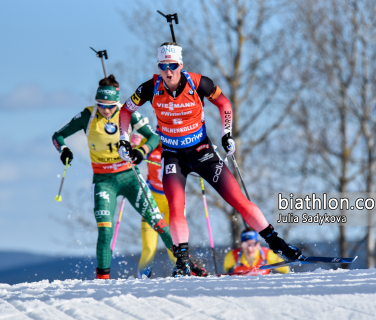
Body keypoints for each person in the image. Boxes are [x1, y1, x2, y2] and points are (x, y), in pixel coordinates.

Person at [117, 42, 303, 277]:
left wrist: (227, 134)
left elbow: (224, 103)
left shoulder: (198, 82)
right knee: (175, 209)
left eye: (173, 65)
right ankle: (182, 260)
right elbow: (125, 111)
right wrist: (124, 140)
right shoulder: (149, 88)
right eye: (163, 66)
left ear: (180, 65)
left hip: (202, 151)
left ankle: (278, 244)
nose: (168, 71)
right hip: (173, 155)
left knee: (238, 200)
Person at [52, 75, 174, 280]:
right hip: (104, 181)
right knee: (105, 232)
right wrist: (63, 150)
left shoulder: (128, 114)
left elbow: (154, 137)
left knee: (158, 222)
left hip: (129, 177)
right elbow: (58, 136)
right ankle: (103, 280)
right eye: (101, 105)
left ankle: (185, 263)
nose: (105, 110)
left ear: (117, 102)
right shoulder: (88, 116)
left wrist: (142, 151)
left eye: (109, 106)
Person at [131, 134, 207, 278]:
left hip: (172, 200)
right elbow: (128, 151)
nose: (162, 138)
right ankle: (142, 281)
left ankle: (180, 275)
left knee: (175, 246)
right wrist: (133, 142)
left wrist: (204, 153)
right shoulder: (150, 144)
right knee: (148, 247)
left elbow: (197, 152)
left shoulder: (179, 147)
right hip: (152, 201)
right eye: (159, 134)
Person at [223, 228, 289, 275]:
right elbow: (226, 271)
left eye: (252, 244)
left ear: (258, 244)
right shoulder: (232, 256)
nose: (249, 248)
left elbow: (286, 270)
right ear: (241, 245)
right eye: (245, 244)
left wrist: (275, 272)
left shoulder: (268, 254)